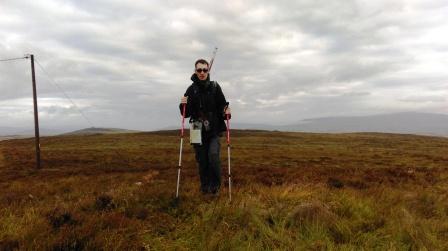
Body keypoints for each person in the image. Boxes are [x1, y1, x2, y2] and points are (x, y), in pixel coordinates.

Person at [179, 58, 231, 195]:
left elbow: (222, 105)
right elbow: (186, 113)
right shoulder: (191, 90)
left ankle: (215, 187)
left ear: (208, 71)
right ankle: (205, 187)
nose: (202, 72)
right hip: (196, 127)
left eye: (204, 70)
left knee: (213, 156)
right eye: (199, 70)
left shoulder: (215, 87)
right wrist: (182, 105)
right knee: (202, 160)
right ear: (195, 71)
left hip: (213, 128)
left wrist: (226, 112)